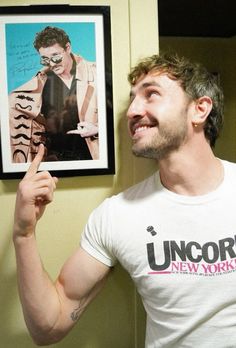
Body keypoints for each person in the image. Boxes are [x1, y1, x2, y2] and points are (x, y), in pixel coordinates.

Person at [13, 51, 236, 348]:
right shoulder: (118, 215)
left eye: (151, 94)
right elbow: (48, 327)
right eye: (132, 99)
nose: (132, 111)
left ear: (200, 109)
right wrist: (23, 234)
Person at [9, 26, 99, 163]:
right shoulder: (41, 83)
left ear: (68, 48)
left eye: (55, 57)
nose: (51, 63)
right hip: (54, 160)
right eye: (45, 59)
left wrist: (97, 128)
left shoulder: (98, 73)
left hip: (92, 157)